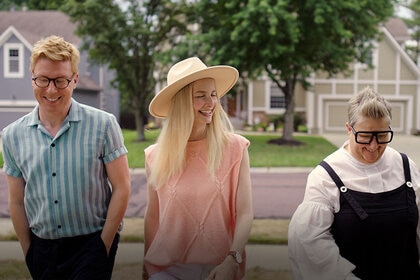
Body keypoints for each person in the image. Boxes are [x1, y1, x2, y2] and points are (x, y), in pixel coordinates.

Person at [1, 35, 131, 280]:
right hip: (41, 250)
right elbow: (16, 201)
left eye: (60, 80)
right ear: (32, 79)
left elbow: (122, 187)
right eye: (43, 79)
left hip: (91, 245)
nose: (51, 89)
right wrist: (29, 251)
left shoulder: (104, 125)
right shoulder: (12, 136)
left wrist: (102, 246)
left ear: (75, 80)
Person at [288, 86, 420, 280]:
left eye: (382, 136)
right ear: (349, 128)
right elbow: (310, 243)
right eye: (365, 136)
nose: (374, 146)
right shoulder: (326, 176)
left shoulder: (406, 167)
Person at [143, 57, 253, 280]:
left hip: (220, 270)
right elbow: (152, 216)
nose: (211, 103)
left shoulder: (236, 148)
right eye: (200, 96)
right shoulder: (155, 156)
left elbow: (245, 214)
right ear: (181, 103)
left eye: (213, 94)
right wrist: (146, 266)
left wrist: (232, 259)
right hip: (167, 271)